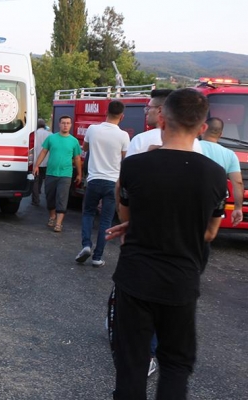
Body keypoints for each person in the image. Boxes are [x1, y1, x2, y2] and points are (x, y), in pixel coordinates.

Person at [107, 88, 228, 399]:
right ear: (203, 128)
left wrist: (141, 224)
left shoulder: (135, 166)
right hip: (181, 281)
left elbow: (127, 212)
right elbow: (210, 233)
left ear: (161, 119)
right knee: (175, 364)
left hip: (135, 279)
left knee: (131, 364)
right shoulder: (215, 175)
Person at [75, 101, 129, 267]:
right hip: (112, 182)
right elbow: (124, 159)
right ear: (122, 116)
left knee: (88, 213)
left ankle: (86, 245)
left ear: (106, 112)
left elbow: (84, 148)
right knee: (105, 220)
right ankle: (97, 257)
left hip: (94, 179)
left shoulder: (93, 129)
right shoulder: (124, 136)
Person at [33, 116, 82, 233]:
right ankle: (52, 216)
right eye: (63, 123)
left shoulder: (74, 141)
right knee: (50, 197)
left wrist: (79, 174)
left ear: (70, 125)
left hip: (66, 174)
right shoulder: (51, 138)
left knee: (62, 197)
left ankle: (59, 223)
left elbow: (77, 158)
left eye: (68, 123)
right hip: (51, 173)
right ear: (59, 124)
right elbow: (44, 151)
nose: (65, 125)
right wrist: (36, 165)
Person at [125, 89, 202, 157]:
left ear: (160, 110)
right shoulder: (194, 143)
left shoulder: (140, 140)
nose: (146, 112)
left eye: (149, 108)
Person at [201, 117, 244, 226]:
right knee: (210, 232)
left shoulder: (192, 146)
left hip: (192, 197)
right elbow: (238, 183)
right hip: (216, 200)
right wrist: (238, 208)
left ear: (203, 129)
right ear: (221, 134)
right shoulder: (230, 154)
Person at [31, 118, 51, 206]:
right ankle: (48, 199)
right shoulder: (50, 134)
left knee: (35, 180)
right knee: (45, 180)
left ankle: (36, 200)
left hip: (36, 161)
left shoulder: (34, 134)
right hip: (47, 161)